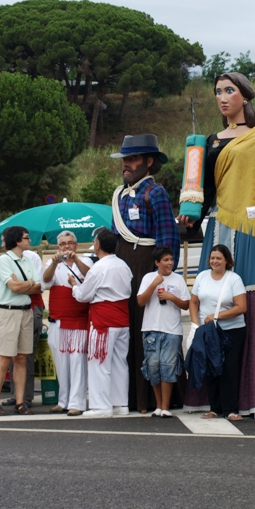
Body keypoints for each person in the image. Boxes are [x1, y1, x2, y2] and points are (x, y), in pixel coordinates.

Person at [178, 72, 255, 416]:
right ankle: (211, 395)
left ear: (245, 96)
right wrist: (190, 214)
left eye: (229, 91)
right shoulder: (208, 141)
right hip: (218, 224)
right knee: (208, 293)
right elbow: (205, 191)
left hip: (252, 229)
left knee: (250, 302)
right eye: (218, 92)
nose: (222, 97)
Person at [111, 133, 180, 413]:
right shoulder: (119, 194)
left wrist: (162, 275)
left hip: (146, 266)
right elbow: (115, 236)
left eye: (133, 159)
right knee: (126, 327)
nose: (126, 164)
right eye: (125, 159)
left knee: (147, 329)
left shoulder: (156, 193)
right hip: (122, 264)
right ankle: (127, 395)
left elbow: (167, 240)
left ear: (149, 162)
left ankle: (151, 399)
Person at [71, 229, 133, 418]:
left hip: (103, 320)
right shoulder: (124, 265)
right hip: (122, 318)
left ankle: (101, 406)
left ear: (97, 245)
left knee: (99, 363)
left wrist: (74, 285)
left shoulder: (98, 268)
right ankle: (120, 404)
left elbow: (83, 296)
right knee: (119, 363)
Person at [190, 244, 247, 421]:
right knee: (211, 369)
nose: (215, 261)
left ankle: (231, 409)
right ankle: (215, 408)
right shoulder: (201, 277)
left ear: (226, 261)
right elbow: (193, 302)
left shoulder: (234, 279)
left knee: (229, 369)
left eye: (219, 258)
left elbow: (241, 307)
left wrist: (216, 316)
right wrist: (195, 323)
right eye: (212, 258)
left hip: (232, 331)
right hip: (208, 331)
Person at [0, 226, 40, 416]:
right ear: (17, 241)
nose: (29, 240)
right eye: (26, 238)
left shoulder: (28, 259)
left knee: (22, 357)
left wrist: (23, 284)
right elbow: (13, 287)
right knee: (5, 358)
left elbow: (37, 287)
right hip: (9, 311)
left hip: (25, 311)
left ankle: (20, 401)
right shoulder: (5, 260)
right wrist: (27, 284)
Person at [42, 230, 93, 416]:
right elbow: (46, 279)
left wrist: (76, 259)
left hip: (78, 321)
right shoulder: (53, 263)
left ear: (76, 245)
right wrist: (55, 263)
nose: (67, 246)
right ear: (58, 247)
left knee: (77, 362)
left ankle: (77, 403)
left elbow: (91, 275)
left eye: (70, 243)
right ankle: (63, 400)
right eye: (63, 244)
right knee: (61, 364)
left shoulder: (85, 261)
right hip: (58, 321)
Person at [137, 246, 190, 417]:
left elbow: (186, 304)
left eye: (171, 259)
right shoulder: (148, 278)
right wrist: (154, 284)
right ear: (157, 262)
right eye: (165, 260)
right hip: (151, 329)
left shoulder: (178, 279)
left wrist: (171, 297)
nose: (170, 263)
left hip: (172, 329)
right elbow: (140, 301)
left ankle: (165, 407)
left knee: (168, 367)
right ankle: (158, 405)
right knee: (153, 367)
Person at [5, 247, 45, 408]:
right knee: (12, 353)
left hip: (31, 307)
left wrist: (17, 285)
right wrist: (22, 285)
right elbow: (0, 286)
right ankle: (16, 394)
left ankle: (26, 396)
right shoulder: (6, 260)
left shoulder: (31, 257)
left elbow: (38, 286)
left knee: (26, 353)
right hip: (13, 308)